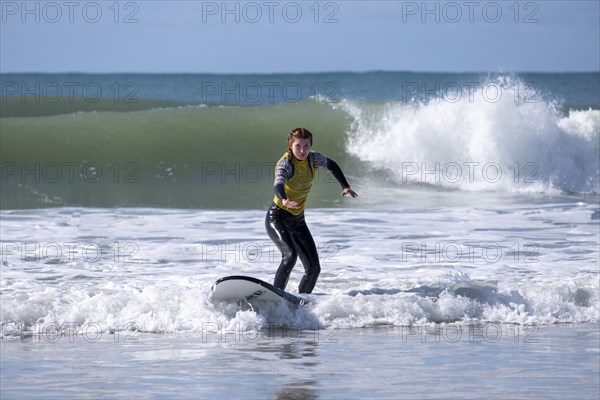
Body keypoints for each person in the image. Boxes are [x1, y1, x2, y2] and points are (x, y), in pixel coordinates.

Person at [265, 127, 358, 294]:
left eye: (306, 146)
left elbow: (332, 165)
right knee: (290, 256)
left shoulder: (314, 158)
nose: (302, 150)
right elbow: (278, 183)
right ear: (290, 146)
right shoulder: (286, 164)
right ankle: (276, 296)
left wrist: (345, 186)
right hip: (277, 217)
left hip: (298, 220)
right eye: (298, 146)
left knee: (314, 268)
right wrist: (284, 199)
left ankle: (301, 303)